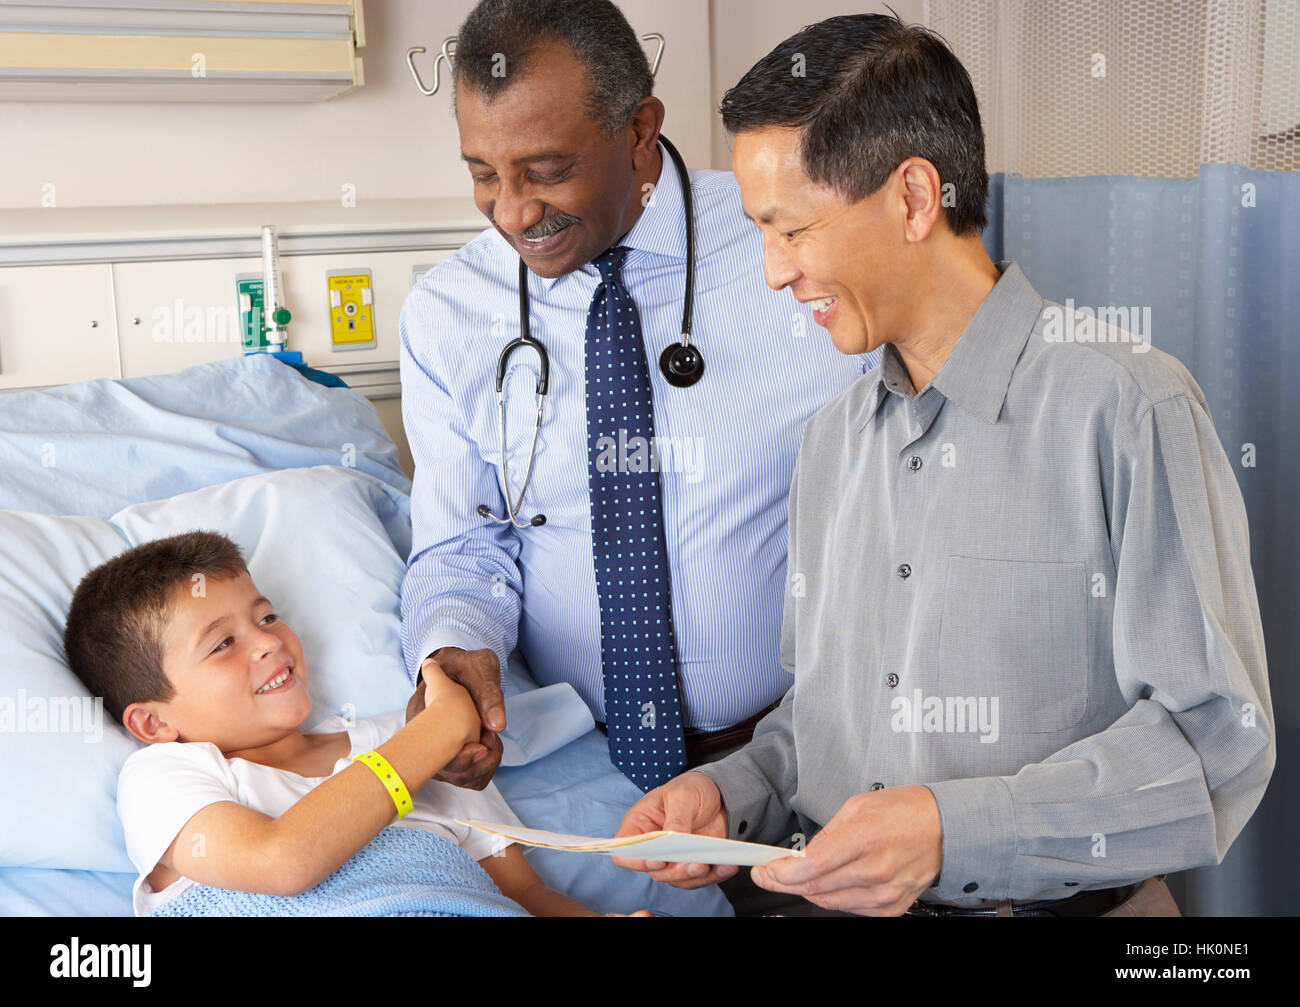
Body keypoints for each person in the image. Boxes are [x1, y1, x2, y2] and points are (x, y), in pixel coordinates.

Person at [614, 12, 1274, 918]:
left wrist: (954, 830)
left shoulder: (1127, 408)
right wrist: (733, 791)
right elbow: (820, 724)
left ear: (916, 198)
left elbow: (1215, 746)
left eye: (791, 230)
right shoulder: (831, 442)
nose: (774, 272)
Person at [398, 0, 874, 795]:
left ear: (639, 130)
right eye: (483, 173)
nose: (513, 211)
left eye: (547, 170)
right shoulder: (448, 313)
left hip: (798, 758)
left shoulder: (792, 241)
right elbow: (463, 544)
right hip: (575, 774)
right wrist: (456, 651)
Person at [62, 531, 649, 917]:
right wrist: (436, 733)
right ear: (153, 723)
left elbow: (524, 894)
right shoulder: (167, 774)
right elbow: (281, 862)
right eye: (222, 644)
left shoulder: (418, 737)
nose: (268, 641)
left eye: (267, 615)